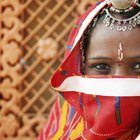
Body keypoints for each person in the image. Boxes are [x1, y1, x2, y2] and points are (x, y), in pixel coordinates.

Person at [38, 0, 140, 139]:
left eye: (138, 67)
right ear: (80, 69)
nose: (119, 83)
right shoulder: (61, 132)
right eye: (101, 67)